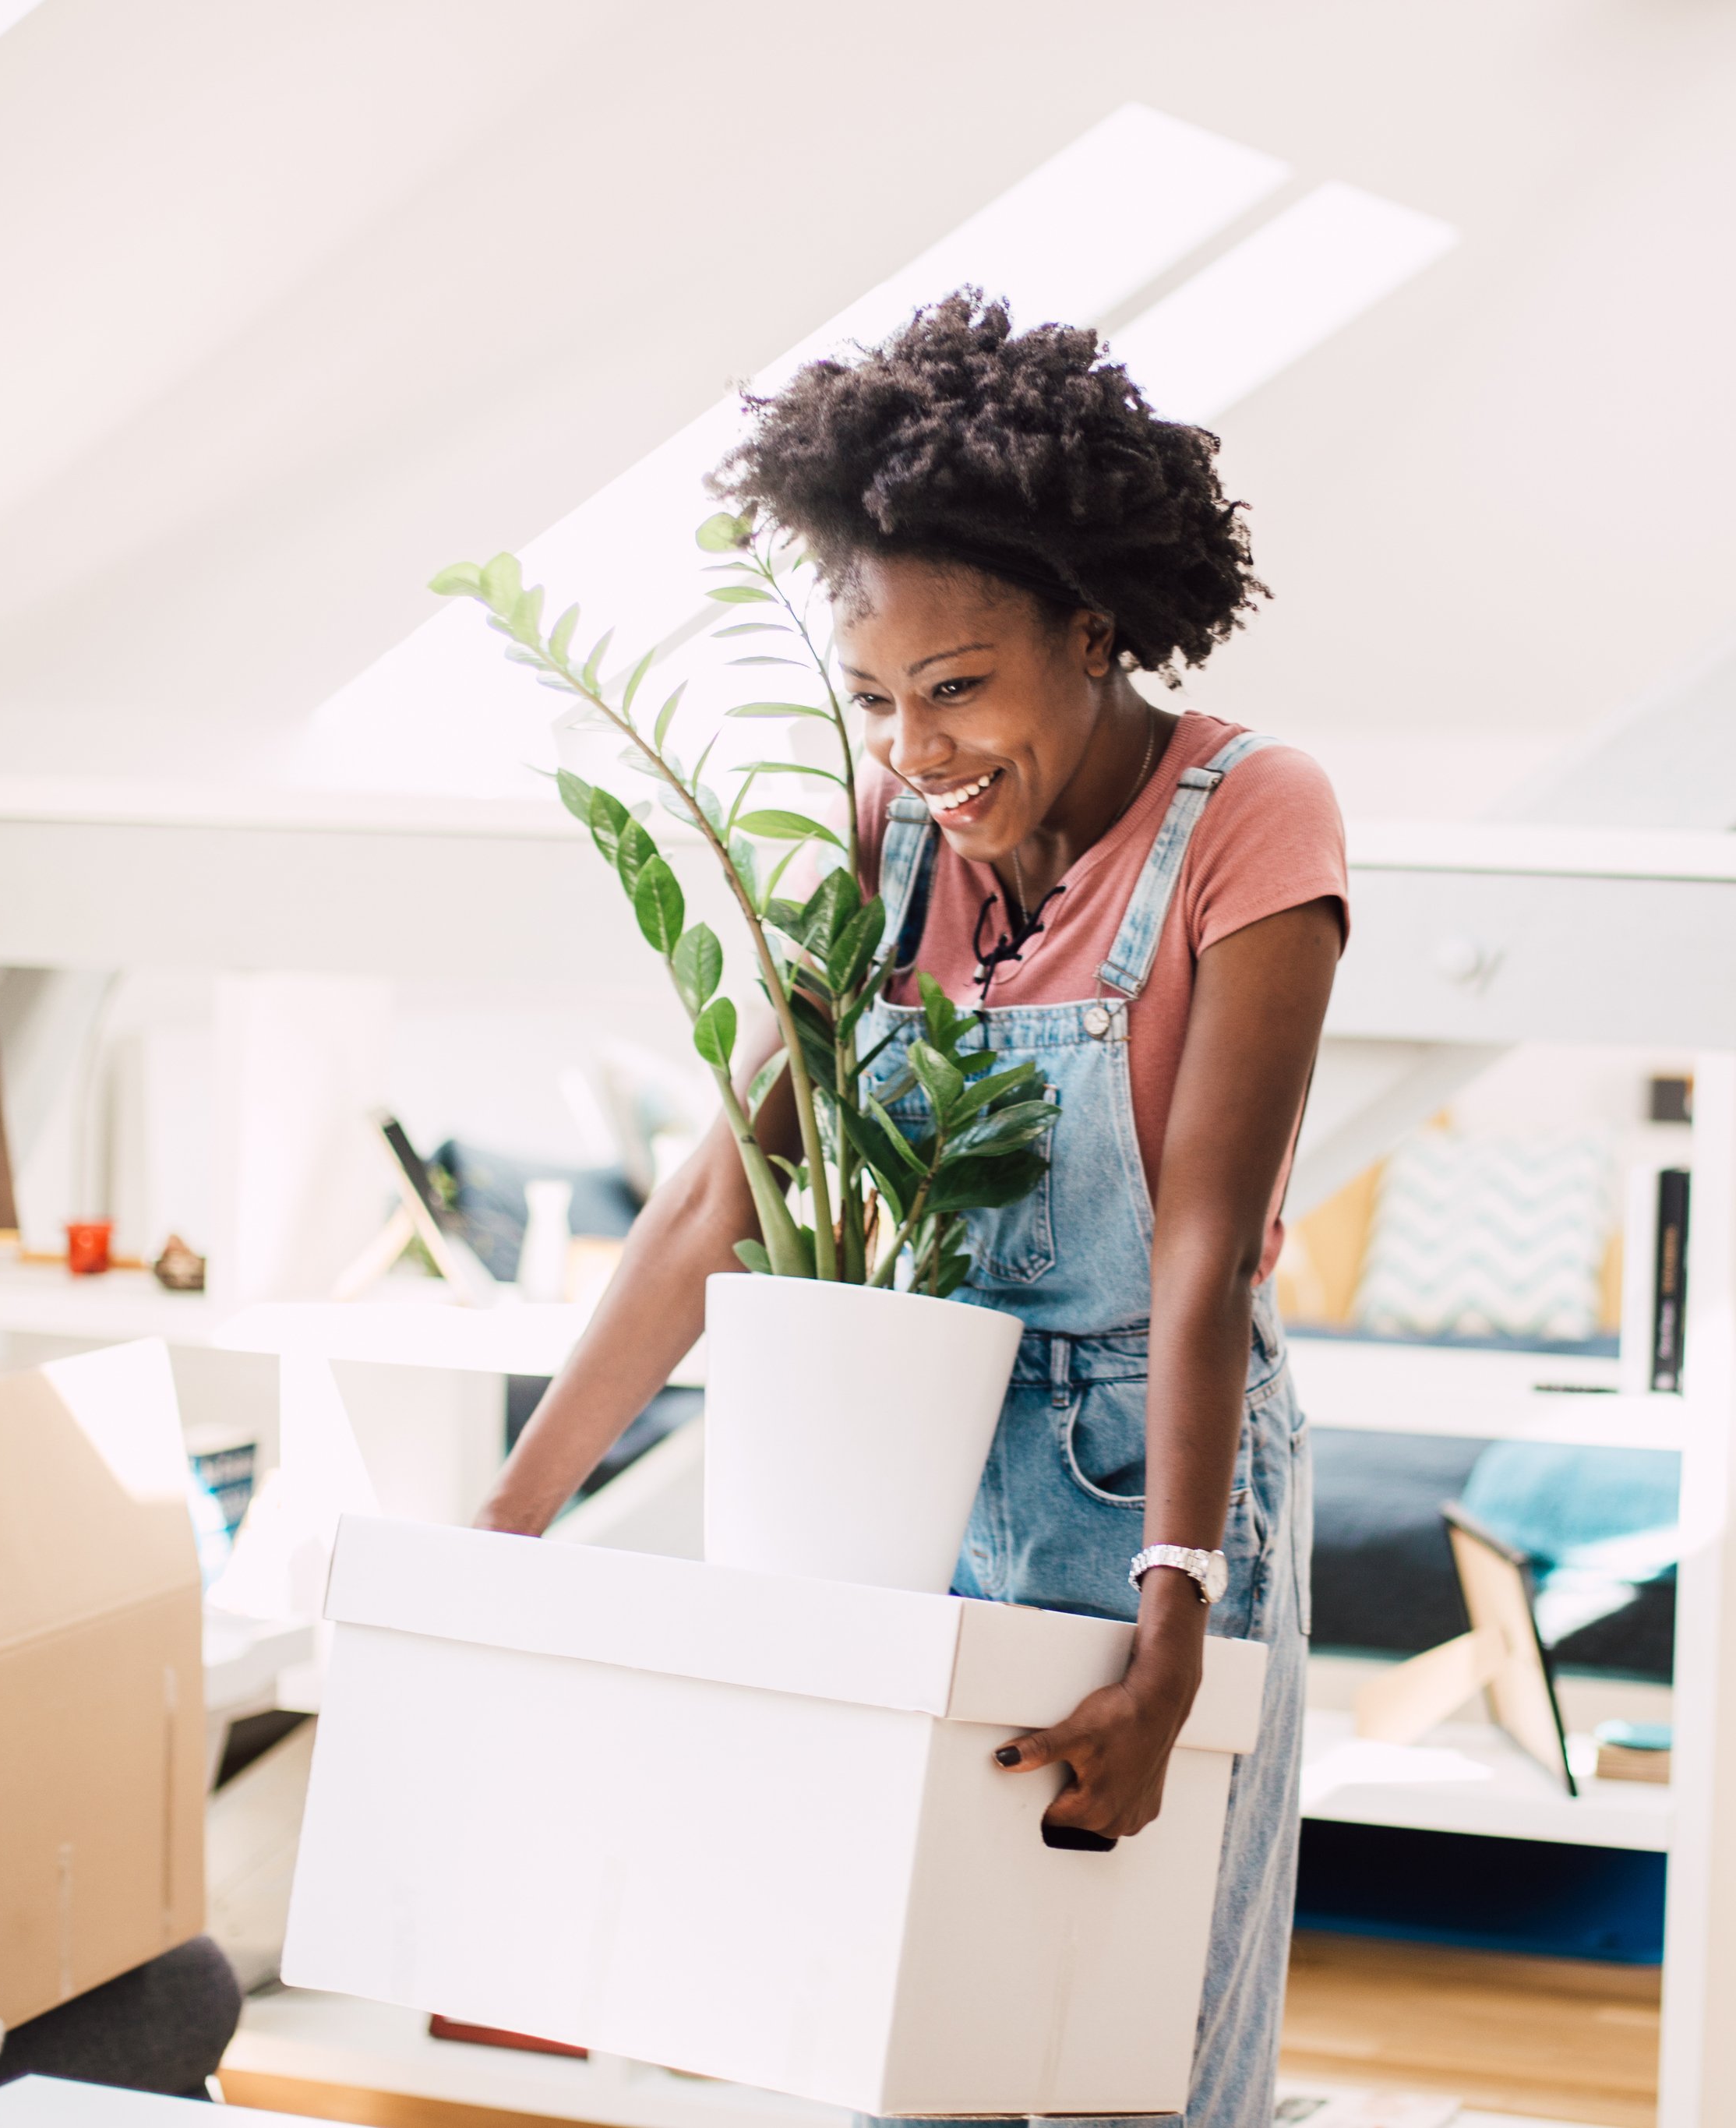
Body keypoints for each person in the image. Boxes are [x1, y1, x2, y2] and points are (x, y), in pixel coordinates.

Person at [475, 290, 1347, 2128]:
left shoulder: (1253, 820)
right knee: (920, 2043)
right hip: (918, 1480)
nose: (915, 746)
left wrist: (1168, 1634)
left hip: (1160, 1486)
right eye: (874, 698)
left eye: (956, 687)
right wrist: (508, 1510)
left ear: (1094, 631)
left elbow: (1198, 1258)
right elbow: (728, 1191)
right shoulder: (888, 842)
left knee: (1140, 2057)